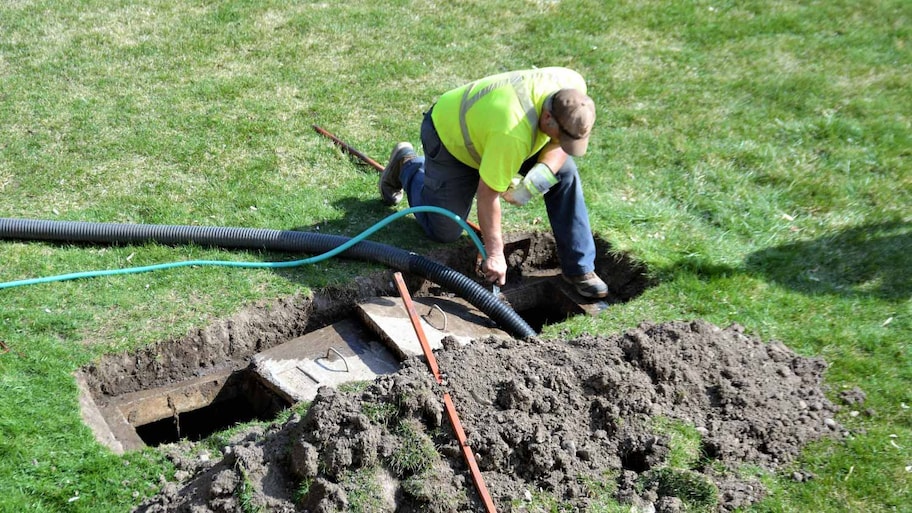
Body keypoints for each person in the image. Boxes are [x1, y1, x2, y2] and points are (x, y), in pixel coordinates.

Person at [379, 67, 608, 299]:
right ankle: (408, 165)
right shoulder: (512, 133)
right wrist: (496, 254)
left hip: (490, 132)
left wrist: (536, 182)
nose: (563, 143)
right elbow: (487, 195)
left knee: (565, 173)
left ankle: (579, 268)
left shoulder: (572, 88)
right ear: (547, 117)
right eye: (562, 136)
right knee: (444, 230)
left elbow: (559, 148)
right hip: (451, 139)